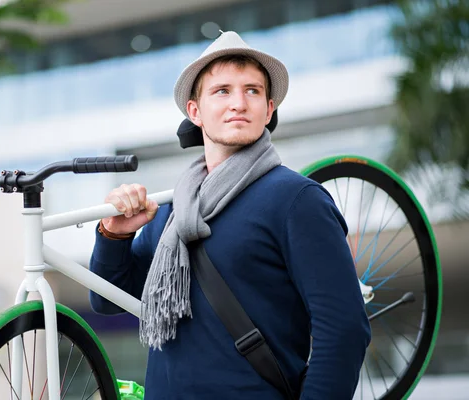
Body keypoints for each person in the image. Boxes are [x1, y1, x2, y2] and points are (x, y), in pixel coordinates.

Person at [89, 31, 371, 399]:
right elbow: (107, 301)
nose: (238, 102)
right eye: (222, 91)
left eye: (252, 90)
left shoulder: (296, 200)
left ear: (268, 109)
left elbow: (344, 331)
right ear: (195, 111)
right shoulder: (173, 212)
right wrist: (115, 235)